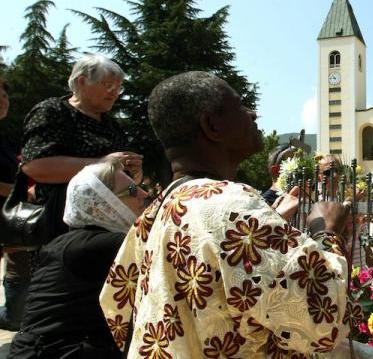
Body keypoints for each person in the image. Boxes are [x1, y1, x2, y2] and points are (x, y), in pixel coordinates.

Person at [100, 71, 350, 357]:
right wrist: (326, 231)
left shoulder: (157, 211)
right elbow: (322, 318)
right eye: (240, 106)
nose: (252, 113)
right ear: (212, 126)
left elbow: (115, 312)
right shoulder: (229, 204)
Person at [10, 159, 148, 358]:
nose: (144, 194)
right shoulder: (101, 245)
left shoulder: (72, 241)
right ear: (104, 204)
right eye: (132, 191)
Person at [20, 54, 143, 241]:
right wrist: (102, 164)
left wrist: (133, 172)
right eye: (108, 85)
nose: (115, 93)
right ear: (81, 82)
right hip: (60, 228)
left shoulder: (111, 124)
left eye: (119, 87)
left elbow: (122, 177)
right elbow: (35, 166)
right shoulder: (53, 111)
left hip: (109, 229)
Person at [0, 78, 30, 332]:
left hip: (6, 217)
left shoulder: (5, 138)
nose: (2, 100)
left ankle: (14, 316)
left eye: (5, 96)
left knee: (19, 263)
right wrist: (18, 192)